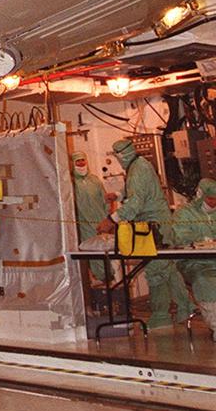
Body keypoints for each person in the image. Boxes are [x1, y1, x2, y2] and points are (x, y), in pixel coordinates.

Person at [97, 138, 193, 329]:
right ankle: (186, 306)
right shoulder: (139, 165)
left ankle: (160, 316)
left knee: (155, 269)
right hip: (158, 223)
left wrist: (111, 220)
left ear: (121, 156)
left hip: (155, 227)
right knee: (167, 268)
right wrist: (117, 195)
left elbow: (135, 203)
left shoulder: (138, 169)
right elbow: (136, 190)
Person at [167, 177, 216, 332]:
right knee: (207, 281)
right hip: (195, 263)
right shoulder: (184, 214)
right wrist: (204, 241)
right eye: (210, 199)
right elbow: (180, 238)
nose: (213, 202)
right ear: (200, 195)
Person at [71, 151, 110, 282]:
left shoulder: (95, 180)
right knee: (92, 254)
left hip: (101, 223)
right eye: (77, 161)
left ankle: (107, 279)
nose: (81, 163)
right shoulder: (71, 183)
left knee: (105, 254)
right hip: (84, 225)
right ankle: (99, 279)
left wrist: (107, 219)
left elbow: (105, 200)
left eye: (83, 160)